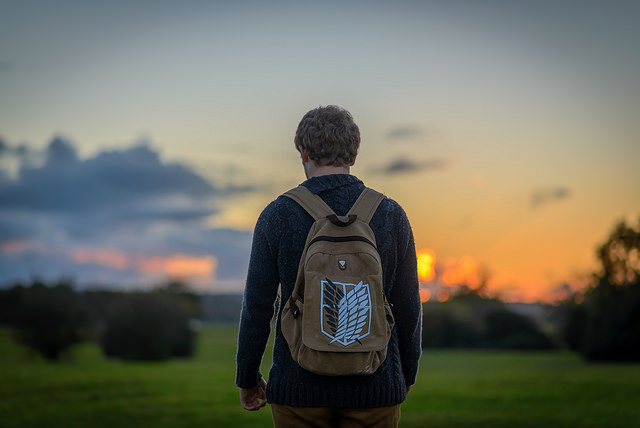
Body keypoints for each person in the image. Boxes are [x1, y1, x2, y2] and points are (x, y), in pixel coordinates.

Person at [236, 105, 422, 427]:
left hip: (297, 391)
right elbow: (408, 307)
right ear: (353, 155)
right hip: (375, 388)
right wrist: (405, 372)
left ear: (304, 152)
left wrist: (248, 378)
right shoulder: (391, 215)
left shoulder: (277, 215)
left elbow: (257, 308)